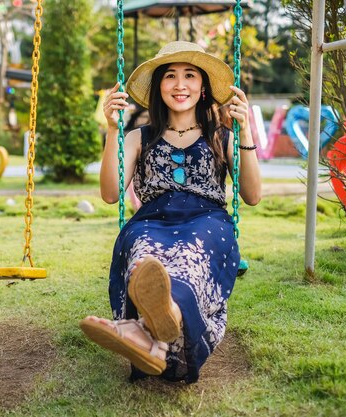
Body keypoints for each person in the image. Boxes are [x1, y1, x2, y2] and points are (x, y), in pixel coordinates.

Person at [79, 41, 262, 384]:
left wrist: (246, 131)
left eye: (190, 75)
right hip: (152, 221)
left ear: (203, 87)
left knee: (192, 256)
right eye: (170, 76)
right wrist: (113, 130)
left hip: (207, 221)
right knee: (145, 255)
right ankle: (160, 328)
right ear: (158, 87)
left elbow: (252, 195)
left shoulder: (220, 137)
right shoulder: (138, 137)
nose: (180, 85)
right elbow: (110, 194)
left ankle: (144, 330)